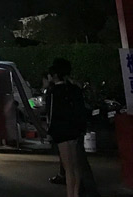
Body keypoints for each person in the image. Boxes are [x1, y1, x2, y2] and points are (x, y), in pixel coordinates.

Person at [46, 58, 91, 197]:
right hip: (74, 130)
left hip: (61, 131)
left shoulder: (53, 92)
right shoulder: (74, 89)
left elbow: (51, 114)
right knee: (75, 165)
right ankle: (76, 193)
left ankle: (70, 194)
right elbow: (81, 110)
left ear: (54, 75)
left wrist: (50, 132)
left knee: (68, 167)